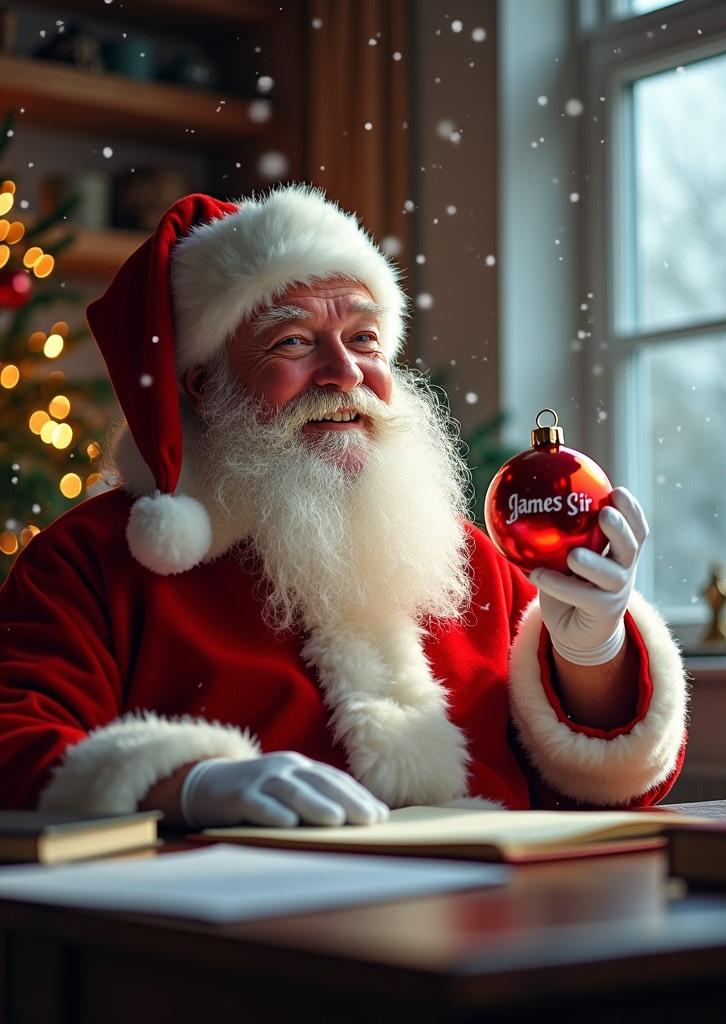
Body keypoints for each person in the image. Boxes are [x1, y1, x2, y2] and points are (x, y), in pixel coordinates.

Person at [0, 185, 687, 828]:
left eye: (363, 338)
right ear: (204, 385)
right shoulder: (89, 562)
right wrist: (182, 785)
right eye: (293, 342)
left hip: (491, 926)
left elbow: (601, 786)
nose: (344, 371)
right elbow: (13, 748)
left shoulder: (463, 557)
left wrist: (592, 651)